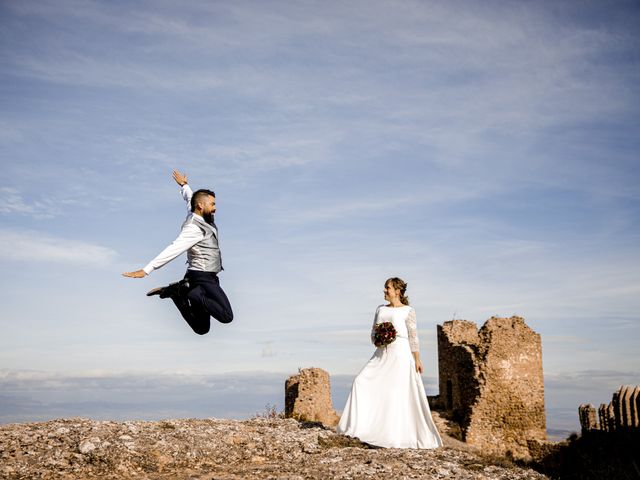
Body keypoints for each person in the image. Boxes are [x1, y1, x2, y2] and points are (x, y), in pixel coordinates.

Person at [122, 170, 234, 335]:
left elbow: (190, 198)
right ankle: (187, 291)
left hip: (200, 277)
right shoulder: (194, 229)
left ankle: (176, 294)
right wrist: (147, 270)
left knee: (201, 329)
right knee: (226, 316)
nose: (215, 209)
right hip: (202, 279)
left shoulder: (196, 212)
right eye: (213, 205)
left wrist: (184, 185)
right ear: (201, 206)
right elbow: (174, 248)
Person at [337, 277, 442, 449]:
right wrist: (378, 339)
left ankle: (391, 435)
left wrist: (417, 359)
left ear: (397, 291)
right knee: (360, 382)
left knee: (394, 392)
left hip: (401, 354)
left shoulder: (408, 311)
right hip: (381, 353)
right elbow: (373, 333)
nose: (384, 291)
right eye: (385, 288)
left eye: (388, 288)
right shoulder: (380, 309)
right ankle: (359, 427)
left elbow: (413, 337)